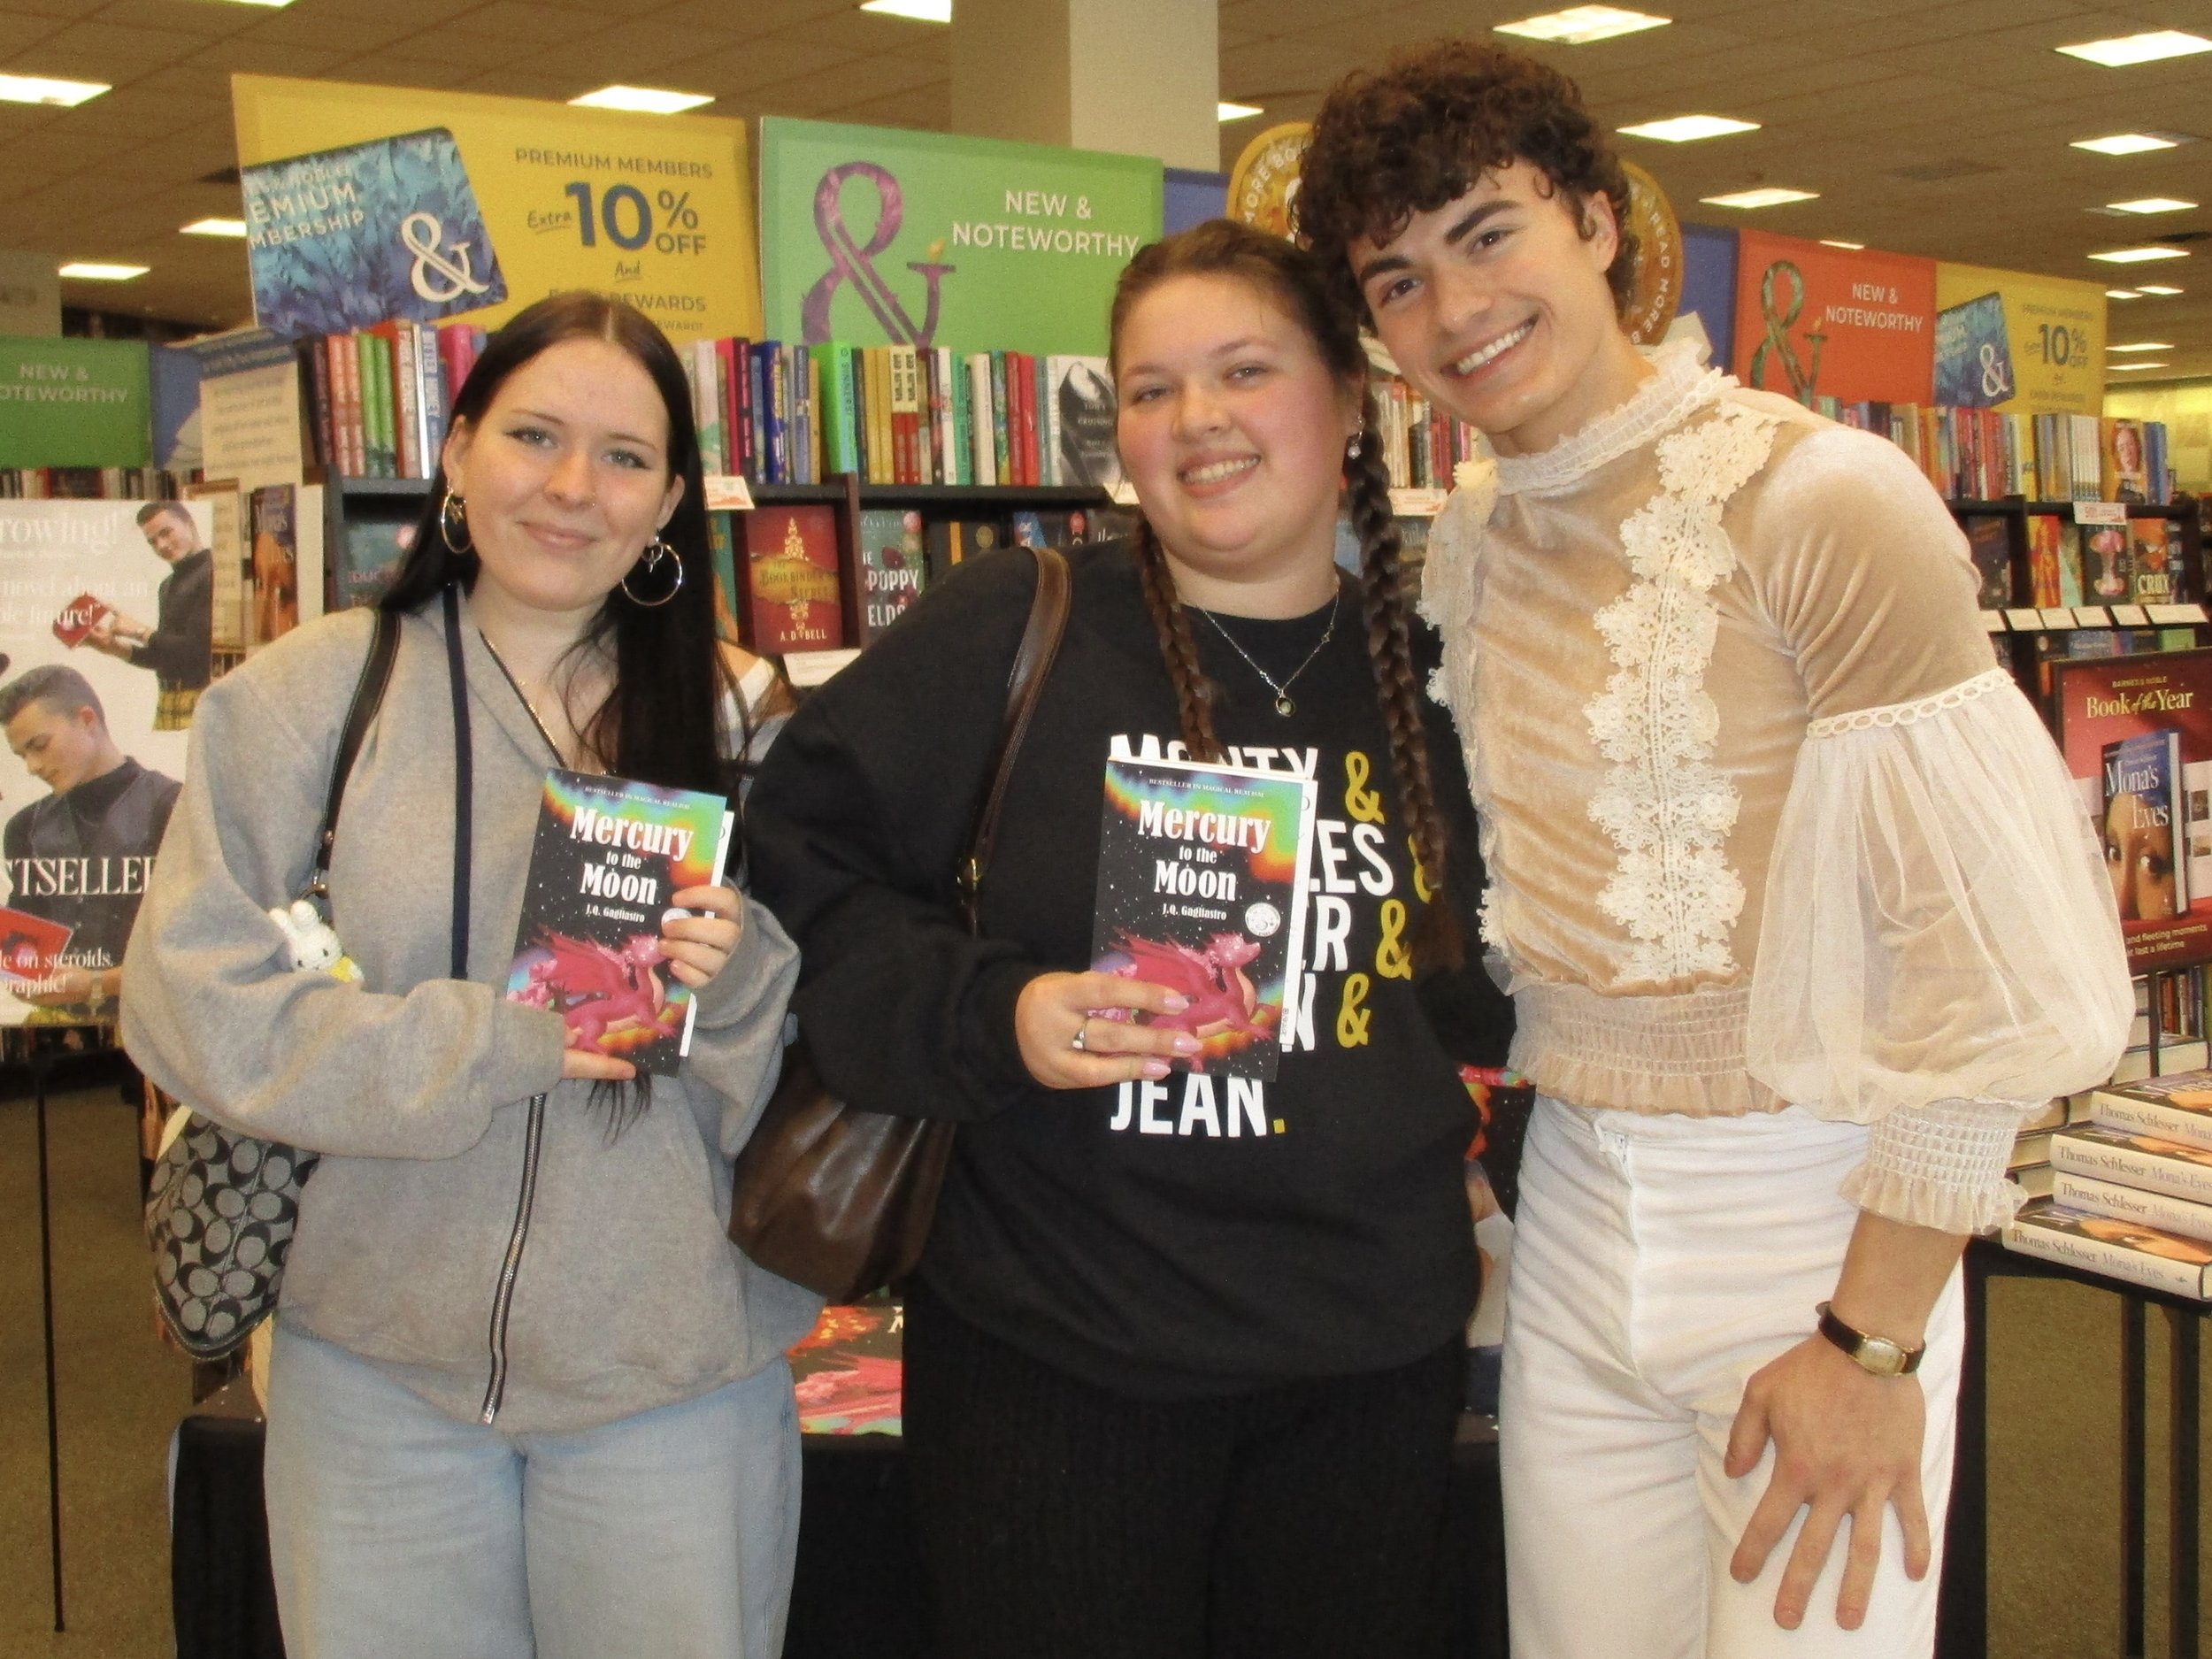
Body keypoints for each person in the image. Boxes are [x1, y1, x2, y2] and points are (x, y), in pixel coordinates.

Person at [1296, 41, 2131, 1659]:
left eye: (1487, 233)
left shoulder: (1823, 499)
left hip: (1812, 1221)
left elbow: (1990, 966)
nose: (1453, 308)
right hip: (1576, 1226)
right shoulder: (1476, 534)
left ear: (1599, 221)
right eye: (1396, 278)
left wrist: (1878, 1344)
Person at [747, 219, 1514, 1659]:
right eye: (1151, 388)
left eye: (1242, 370)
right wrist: (996, 1011)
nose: (1196, 420)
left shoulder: (1441, 673)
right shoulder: (1017, 627)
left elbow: (1499, 987)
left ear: (1349, 403)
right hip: (1060, 1358)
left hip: (1366, 1361)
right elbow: (799, 857)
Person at [121, 292, 814, 1659]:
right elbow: (186, 999)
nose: (572, 488)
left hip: (670, 1380)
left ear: (674, 494)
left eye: (625, 457)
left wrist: (737, 981)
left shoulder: (745, 716)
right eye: (534, 435)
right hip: (372, 1377)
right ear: (455, 450)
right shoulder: (308, 698)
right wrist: (483, 1044)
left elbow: (829, 1061)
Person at [0, 663, 180, 1019]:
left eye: (39, 745)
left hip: (162, 1026)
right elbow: (18, 962)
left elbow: (199, 952)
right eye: (22, 755)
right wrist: (18, 973)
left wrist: (97, 983)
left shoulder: (176, 808)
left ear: (87, 719)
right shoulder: (22, 828)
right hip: (58, 1037)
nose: (32, 766)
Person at [85, 500, 214, 729]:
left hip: (203, 698)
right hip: (169, 699)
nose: (161, 545)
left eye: (166, 533)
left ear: (190, 523)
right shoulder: (167, 585)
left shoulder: (214, 571)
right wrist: (112, 646)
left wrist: (139, 631)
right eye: (152, 541)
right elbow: (164, 657)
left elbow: (197, 650)